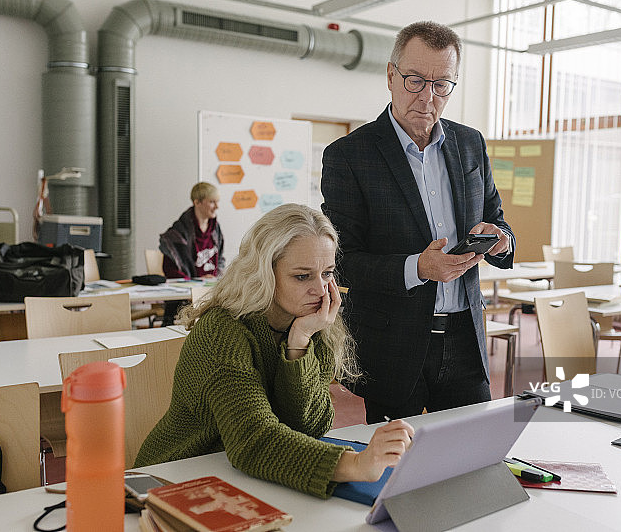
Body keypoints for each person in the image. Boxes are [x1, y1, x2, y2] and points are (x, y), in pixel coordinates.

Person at [134, 204, 414, 498]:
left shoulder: (311, 323)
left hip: (246, 479)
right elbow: (254, 440)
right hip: (172, 482)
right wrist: (354, 465)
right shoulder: (223, 331)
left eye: (327, 273)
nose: (320, 290)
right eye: (302, 276)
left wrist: (300, 342)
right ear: (264, 273)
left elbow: (309, 426)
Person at [321, 21, 515, 424]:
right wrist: (418, 267)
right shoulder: (349, 156)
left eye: (441, 84)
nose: (427, 97)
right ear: (391, 76)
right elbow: (341, 261)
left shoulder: (470, 144)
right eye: (414, 80)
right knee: (395, 472)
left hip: (464, 337)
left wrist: (499, 240)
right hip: (394, 344)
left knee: (472, 460)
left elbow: (496, 218)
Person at [159, 182, 225, 326]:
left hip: (210, 292)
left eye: (217, 202)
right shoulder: (177, 233)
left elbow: (220, 259)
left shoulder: (216, 230)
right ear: (197, 202)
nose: (217, 206)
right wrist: (198, 281)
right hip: (186, 297)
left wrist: (215, 277)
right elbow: (171, 270)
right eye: (212, 202)